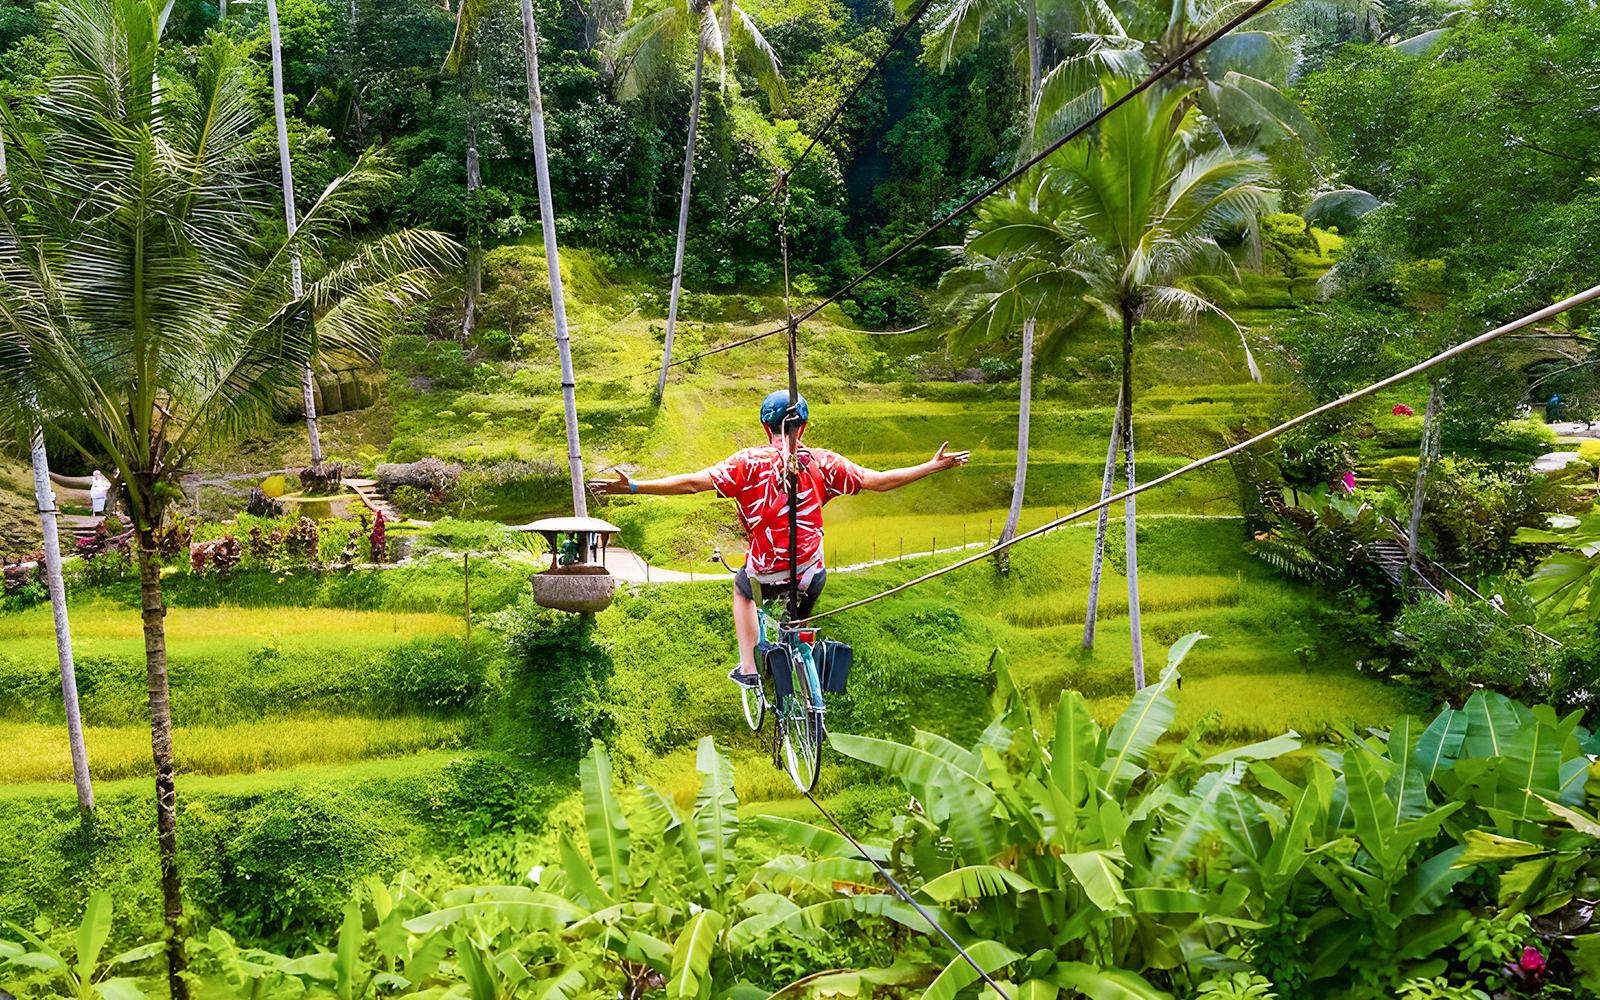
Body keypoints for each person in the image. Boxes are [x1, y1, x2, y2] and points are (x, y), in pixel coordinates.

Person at [588, 390, 969, 687]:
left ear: (765, 427)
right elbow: (880, 482)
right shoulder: (824, 461)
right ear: (803, 427)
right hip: (809, 571)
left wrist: (635, 485)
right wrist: (933, 466)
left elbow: (691, 483)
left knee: (742, 587)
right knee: (804, 597)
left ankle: (749, 668)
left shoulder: (748, 462)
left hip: (766, 569)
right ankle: (800, 647)